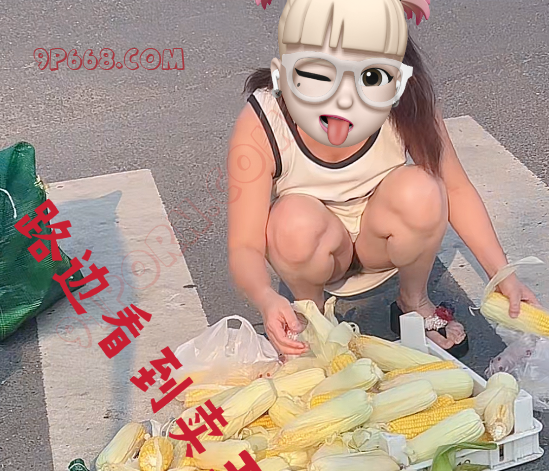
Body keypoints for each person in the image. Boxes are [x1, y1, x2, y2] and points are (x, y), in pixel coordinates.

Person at [227, 0, 541, 358]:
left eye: (369, 77)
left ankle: (414, 303)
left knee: (422, 189)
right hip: (313, 243)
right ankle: (311, 321)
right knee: (292, 221)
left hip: (379, 237)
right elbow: (245, 245)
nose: (343, 98)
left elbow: (455, 187)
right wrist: (266, 298)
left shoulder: (405, 98)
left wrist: (502, 275)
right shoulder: (263, 120)